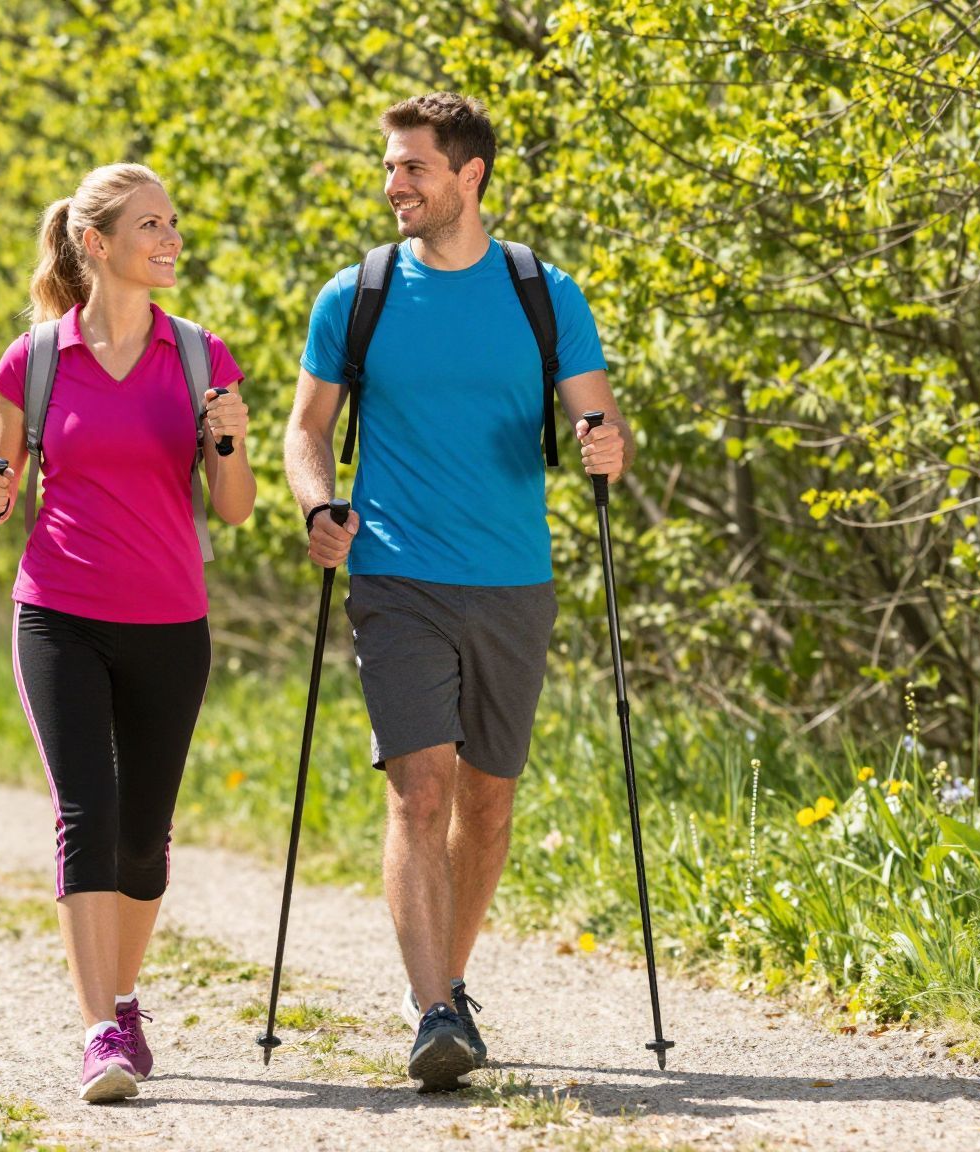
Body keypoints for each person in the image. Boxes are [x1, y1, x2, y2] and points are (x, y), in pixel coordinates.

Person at [281, 93, 631, 1092]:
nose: (393, 184)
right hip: (394, 574)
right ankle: (433, 1008)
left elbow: (600, 425)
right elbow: (307, 430)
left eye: (413, 167)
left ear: (468, 175)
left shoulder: (542, 292)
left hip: (513, 578)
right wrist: (318, 506)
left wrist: (605, 447)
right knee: (420, 789)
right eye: (389, 167)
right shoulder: (356, 294)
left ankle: (451, 982)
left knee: (488, 802)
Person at [0, 162, 256, 1104]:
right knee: (86, 814)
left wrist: (229, 438)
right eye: (151, 225)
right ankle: (99, 1031)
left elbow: (236, 508)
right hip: (59, 614)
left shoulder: (202, 356)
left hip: (171, 619)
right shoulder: (35, 360)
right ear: (96, 244)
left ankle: (124, 1000)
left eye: (172, 223)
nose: (171, 239)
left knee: (144, 835)